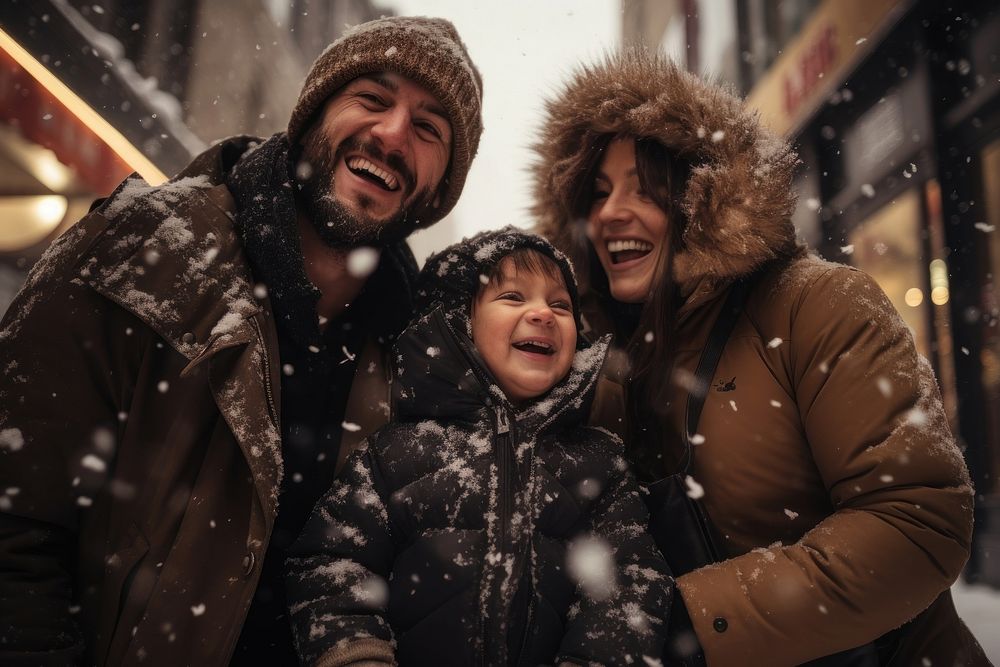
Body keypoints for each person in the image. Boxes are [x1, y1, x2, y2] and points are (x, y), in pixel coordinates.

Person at [0, 16, 483, 666]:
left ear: (438, 189)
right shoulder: (139, 244)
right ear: (314, 112)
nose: (393, 134)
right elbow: (16, 517)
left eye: (428, 129)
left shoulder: (418, 359)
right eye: (372, 99)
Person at [531, 50, 989, 666]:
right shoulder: (602, 366)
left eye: (645, 187)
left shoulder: (817, 305)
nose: (611, 212)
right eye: (599, 192)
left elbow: (917, 522)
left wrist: (692, 622)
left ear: (704, 199)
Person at [284, 227, 673, 666]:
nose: (543, 313)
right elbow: (330, 564)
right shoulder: (394, 455)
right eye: (513, 297)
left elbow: (630, 580)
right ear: (456, 325)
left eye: (560, 304)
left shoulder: (598, 462)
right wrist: (358, 654)